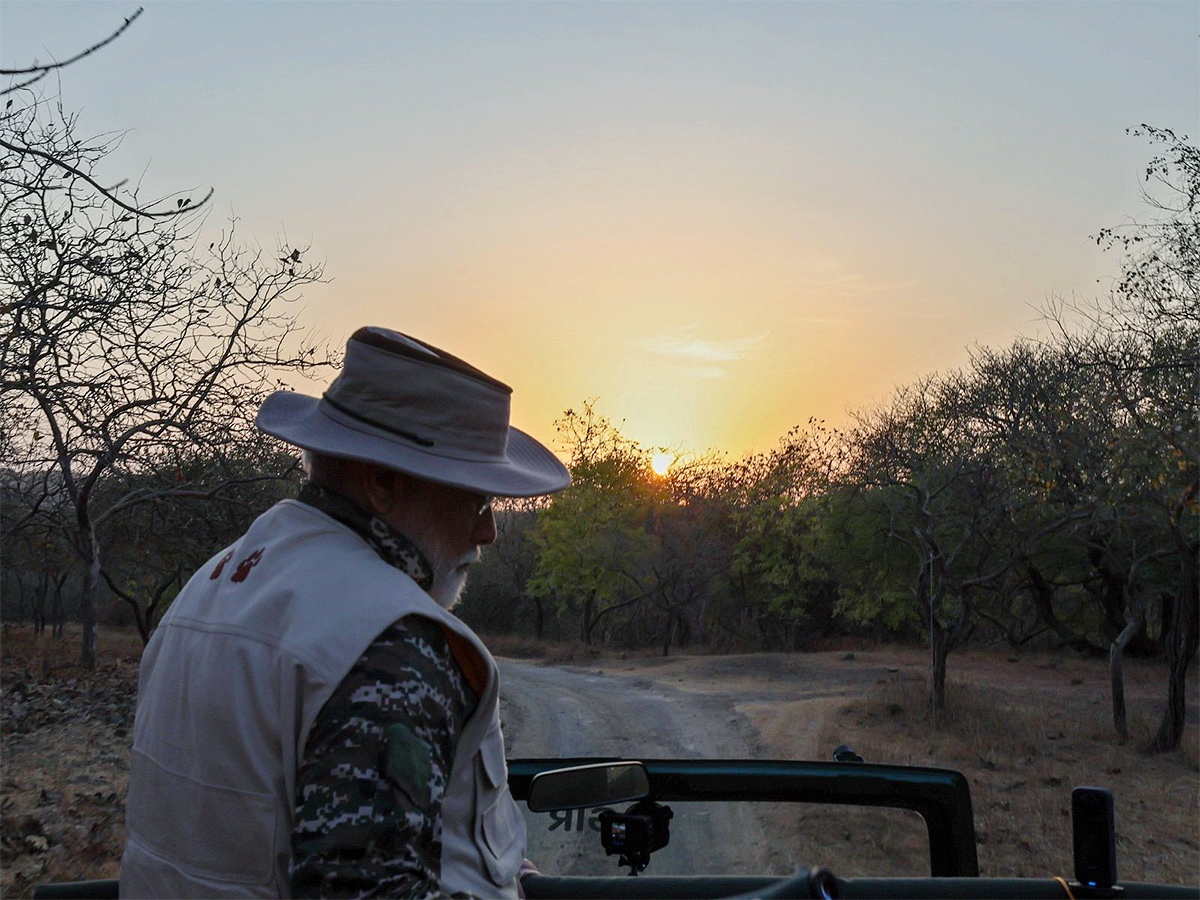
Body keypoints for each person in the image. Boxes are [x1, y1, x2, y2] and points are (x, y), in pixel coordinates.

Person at [120, 327, 570, 899]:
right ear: (381, 482)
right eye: (475, 498)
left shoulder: (214, 583)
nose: (488, 530)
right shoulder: (390, 642)